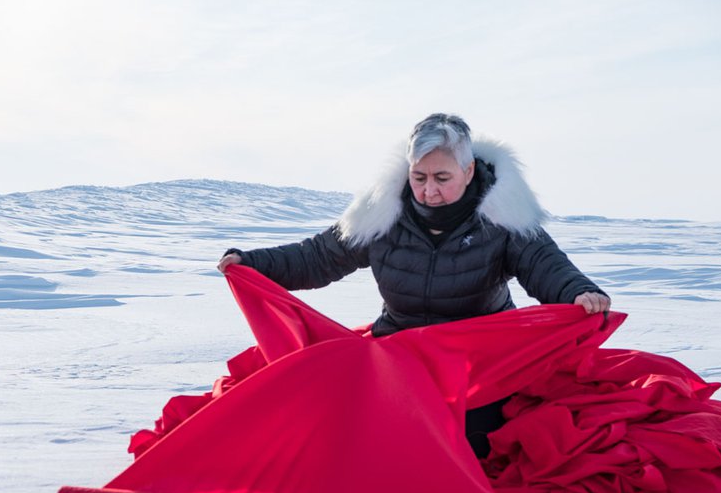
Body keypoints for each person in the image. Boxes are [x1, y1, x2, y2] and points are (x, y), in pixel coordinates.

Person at [217, 113, 610, 457]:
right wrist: (251, 264)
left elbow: (546, 265)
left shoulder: (503, 218)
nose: (428, 190)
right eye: (419, 177)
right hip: (400, 357)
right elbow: (316, 258)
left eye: (442, 177)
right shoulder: (380, 215)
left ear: (469, 170)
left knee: (472, 447)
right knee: (345, 435)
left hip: (479, 363)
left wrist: (579, 292)